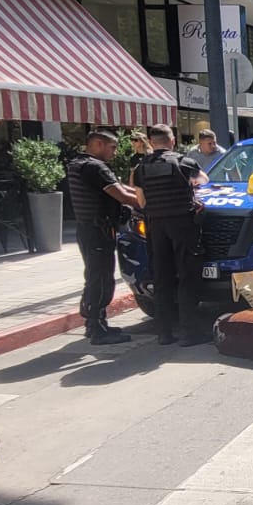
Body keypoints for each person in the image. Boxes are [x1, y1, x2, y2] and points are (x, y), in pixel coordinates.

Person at [132, 124, 208, 346]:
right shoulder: (183, 162)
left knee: (162, 278)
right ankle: (189, 332)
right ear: (172, 140)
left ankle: (164, 333)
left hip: (156, 226)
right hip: (182, 224)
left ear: (150, 142)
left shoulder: (140, 168)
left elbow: (141, 201)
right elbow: (203, 181)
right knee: (186, 276)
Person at [68, 130, 142, 344]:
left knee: (94, 275)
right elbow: (122, 195)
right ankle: (97, 327)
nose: (115, 152)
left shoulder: (78, 164)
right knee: (101, 278)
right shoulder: (94, 167)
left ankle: (94, 323)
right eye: (112, 147)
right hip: (98, 229)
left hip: (88, 229)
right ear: (98, 144)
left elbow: (121, 188)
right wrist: (149, 202)